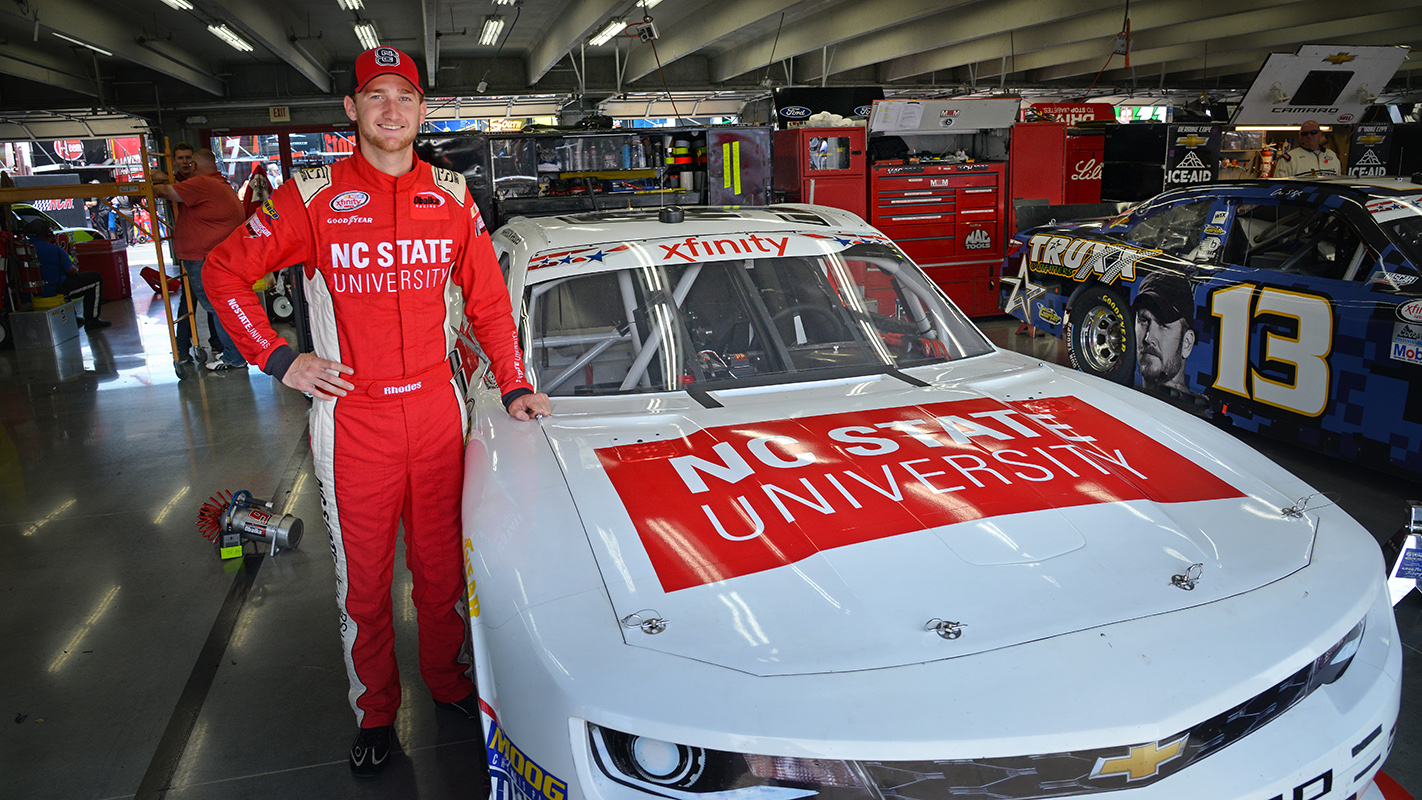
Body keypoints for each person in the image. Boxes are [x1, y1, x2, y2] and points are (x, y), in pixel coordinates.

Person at [203, 45, 551, 778]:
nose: (391, 109)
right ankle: (376, 712)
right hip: (351, 421)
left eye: (405, 97)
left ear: (422, 112)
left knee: (440, 575)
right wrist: (279, 358)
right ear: (352, 110)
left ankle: (450, 685)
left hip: (435, 413)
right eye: (377, 96)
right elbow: (223, 271)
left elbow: (489, 303)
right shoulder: (313, 195)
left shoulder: (453, 195)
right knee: (363, 586)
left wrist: (515, 385)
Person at [153, 149, 250, 370]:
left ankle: (233, 357)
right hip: (212, 256)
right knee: (216, 306)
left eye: (189, 161)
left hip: (204, 258)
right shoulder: (216, 183)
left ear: (194, 166)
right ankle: (231, 354)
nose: (185, 164)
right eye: (181, 159)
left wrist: (147, 183)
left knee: (217, 307)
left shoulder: (201, 184)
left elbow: (165, 192)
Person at [25, 219, 110, 329]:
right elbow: (72, 271)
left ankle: (73, 316)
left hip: (30, 293)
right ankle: (92, 319)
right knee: (95, 278)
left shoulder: (22, 249)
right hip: (54, 290)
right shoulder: (54, 250)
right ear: (47, 233)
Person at [1132, 270, 1196, 395]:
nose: (1148, 338)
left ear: (1186, 343)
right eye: (1143, 321)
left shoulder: (1198, 412)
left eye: (1163, 325)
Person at [1273, 121, 1341, 178]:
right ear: (1300, 136)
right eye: (1304, 133)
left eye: (1313, 132)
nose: (1309, 136)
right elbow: (1279, 187)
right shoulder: (1289, 159)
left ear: (1320, 134)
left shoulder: (1332, 155)